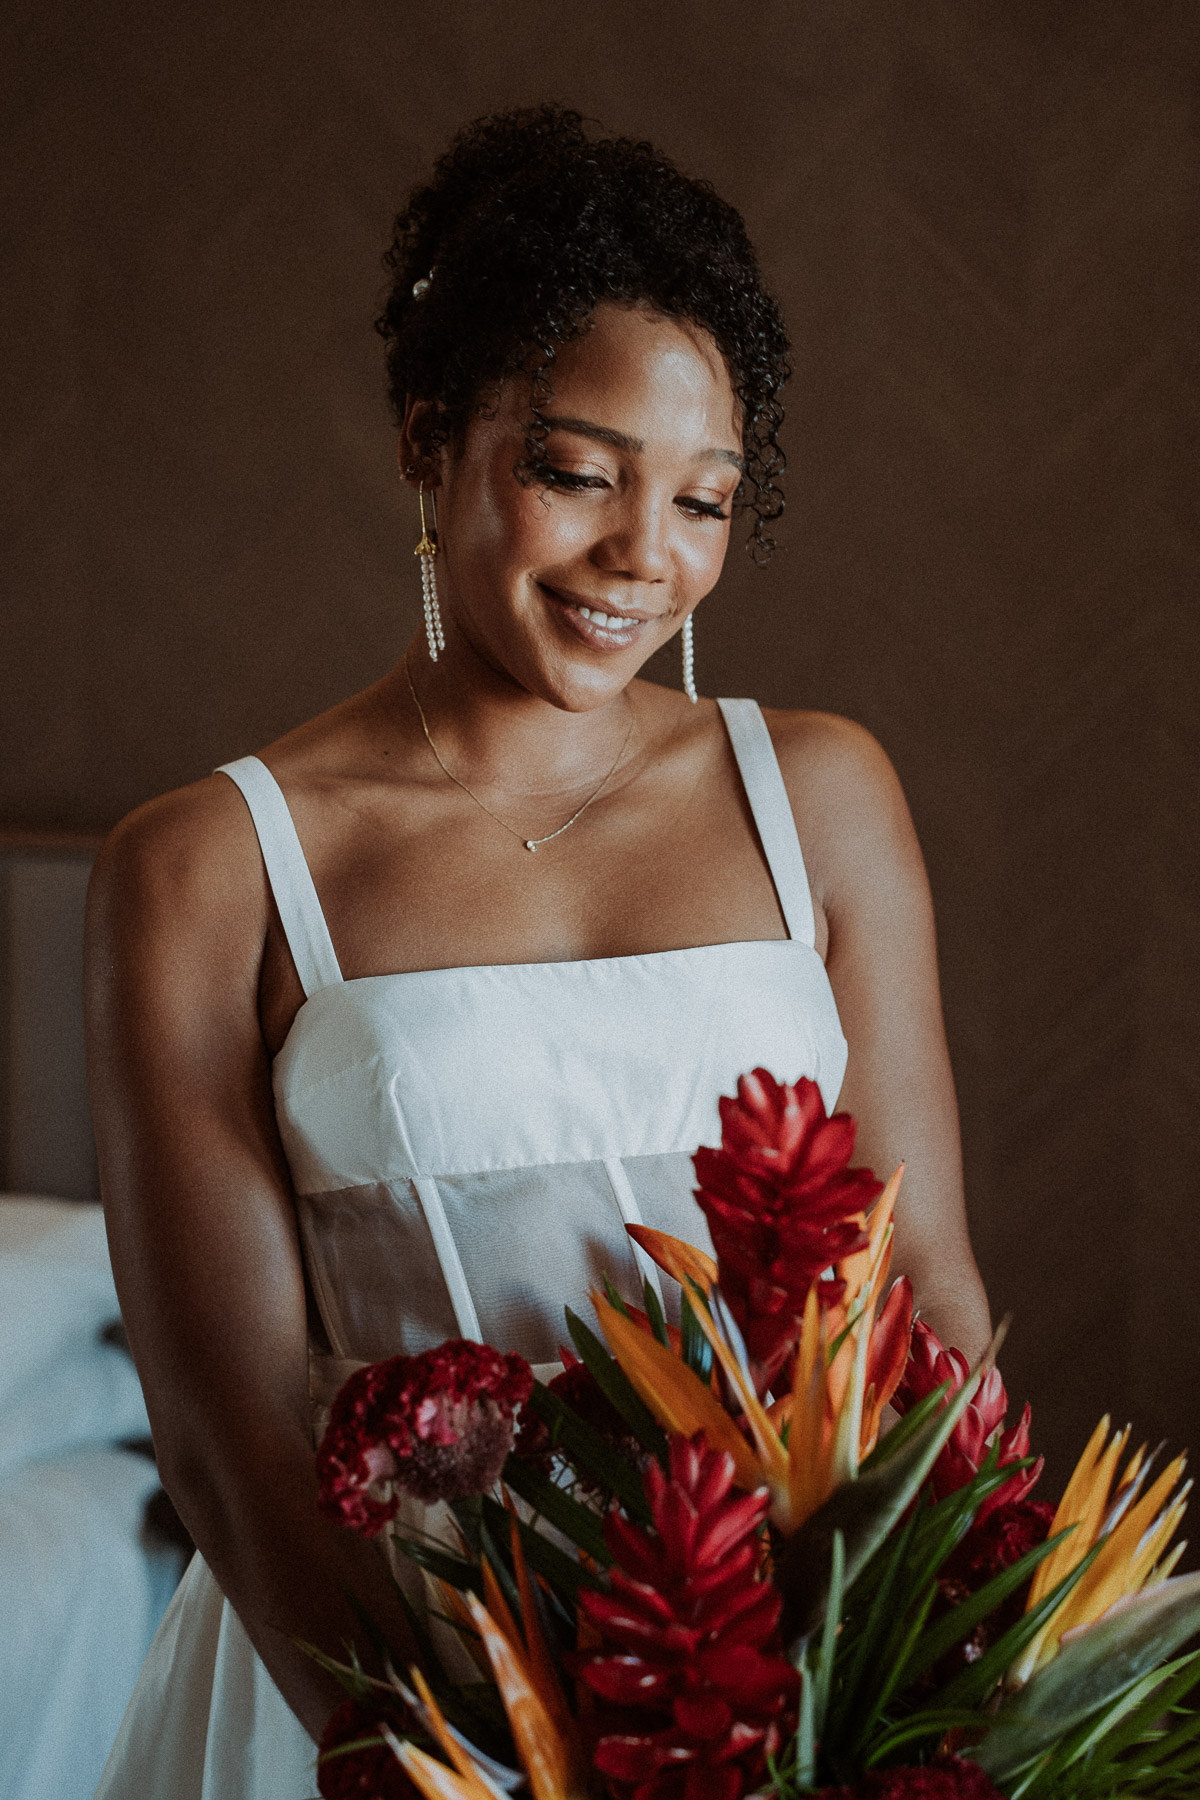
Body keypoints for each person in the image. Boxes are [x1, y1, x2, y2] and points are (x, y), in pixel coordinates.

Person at [86, 105, 991, 1798]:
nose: (644, 557)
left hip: (777, 1669)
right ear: (431, 444)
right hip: (377, 1668)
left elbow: (927, 1276)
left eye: (703, 501)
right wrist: (403, 1746)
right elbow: (226, 1425)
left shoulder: (824, 793)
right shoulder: (206, 866)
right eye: (576, 472)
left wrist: (914, 1659)